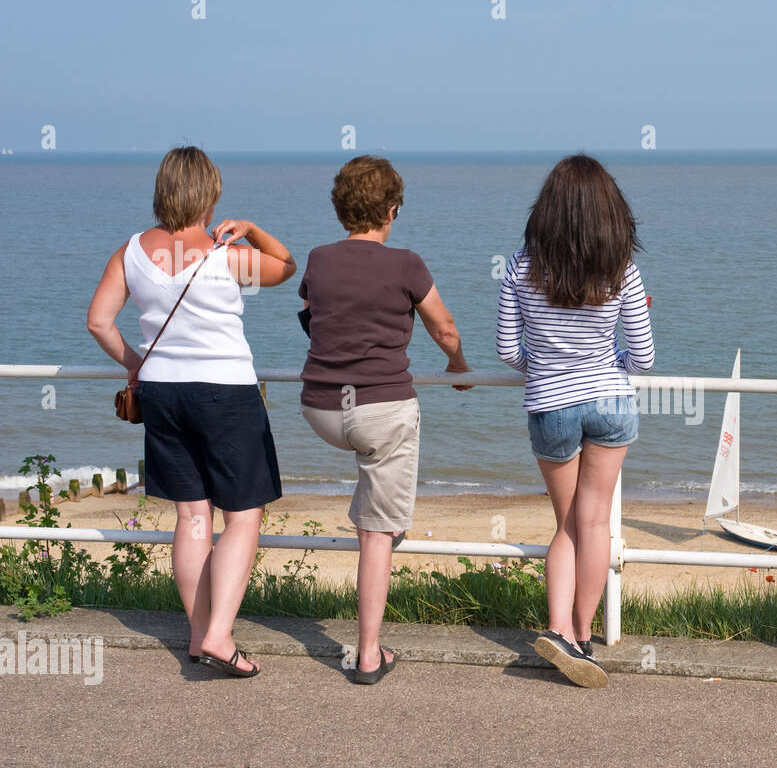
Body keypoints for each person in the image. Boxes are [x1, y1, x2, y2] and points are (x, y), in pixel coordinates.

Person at [87, 146, 296, 678]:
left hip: (162, 393)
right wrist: (250, 228)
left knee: (192, 515)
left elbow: (99, 322)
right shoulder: (227, 256)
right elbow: (288, 268)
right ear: (211, 195)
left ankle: (199, 635)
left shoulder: (130, 251)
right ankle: (222, 635)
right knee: (243, 515)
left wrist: (137, 364)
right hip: (226, 391)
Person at [298, 155, 472, 685]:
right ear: (392, 210)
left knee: (373, 502)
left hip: (322, 409)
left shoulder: (319, 259)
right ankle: (369, 654)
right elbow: (443, 328)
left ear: (340, 209)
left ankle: (374, 515)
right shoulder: (407, 264)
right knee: (377, 534)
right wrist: (458, 368)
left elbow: (315, 317)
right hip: (380, 409)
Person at [496, 154, 654, 688]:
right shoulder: (621, 269)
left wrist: (542, 366)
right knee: (596, 524)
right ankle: (583, 638)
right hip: (610, 400)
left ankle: (558, 630)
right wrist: (606, 363)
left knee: (565, 526)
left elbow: (505, 349)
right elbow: (643, 358)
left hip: (550, 404)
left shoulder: (522, 265)